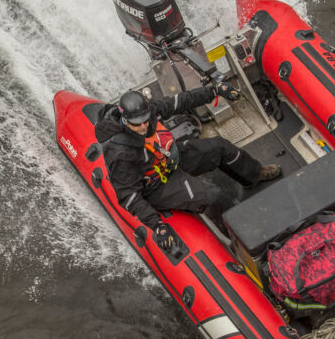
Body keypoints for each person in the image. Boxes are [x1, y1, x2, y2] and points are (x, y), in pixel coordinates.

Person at [94, 83, 281, 252]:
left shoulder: (150, 114)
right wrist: (157, 225)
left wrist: (214, 90)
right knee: (214, 197)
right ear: (126, 120)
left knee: (219, 146)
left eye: (145, 120)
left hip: (171, 159)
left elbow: (180, 102)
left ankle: (254, 174)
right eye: (138, 124)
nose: (144, 126)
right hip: (157, 185)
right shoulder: (119, 153)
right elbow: (128, 195)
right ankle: (246, 237)